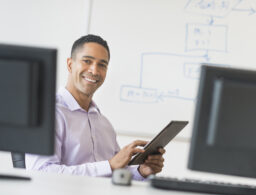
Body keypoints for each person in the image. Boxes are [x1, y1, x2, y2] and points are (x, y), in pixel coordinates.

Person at [25, 34, 165, 180]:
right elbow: (41, 172)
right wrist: (109, 165)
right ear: (70, 64)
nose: (94, 71)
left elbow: (117, 173)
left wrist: (141, 171)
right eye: (87, 61)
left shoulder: (104, 124)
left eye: (102, 65)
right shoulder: (47, 114)